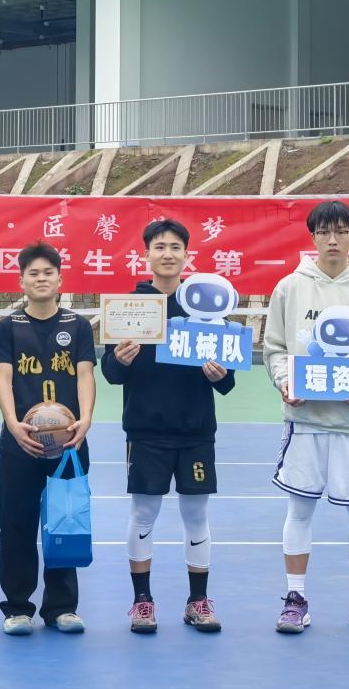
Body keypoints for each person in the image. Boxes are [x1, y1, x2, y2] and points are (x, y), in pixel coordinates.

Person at [262, 200, 349, 636]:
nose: (333, 240)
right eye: (324, 232)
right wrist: (286, 381)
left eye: (341, 231)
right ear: (313, 236)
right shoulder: (290, 287)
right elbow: (276, 348)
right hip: (305, 420)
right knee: (300, 509)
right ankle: (295, 598)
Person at [102, 218, 234, 635]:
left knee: (196, 514)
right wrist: (118, 360)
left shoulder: (206, 306)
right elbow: (110, 373)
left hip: (196, 430)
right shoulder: (129, 306)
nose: (168, 254)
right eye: (159, 246)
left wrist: (219, 375)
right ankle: (142, 602)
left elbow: (228, 379)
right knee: (144, 513)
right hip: (146, 431)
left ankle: (198, 601)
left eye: (176, 247)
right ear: (146, 255)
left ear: (186, 255)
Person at [0, 242, 96, 635]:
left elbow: (85, 375)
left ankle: (62, 607)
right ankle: (18, 607)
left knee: (65, 522)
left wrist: (85, 419)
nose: (40, 279)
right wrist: (13, 424)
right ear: (21, 281)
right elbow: (3, 378)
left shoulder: (78, 325)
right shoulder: (8, 327)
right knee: (15, 524)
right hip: (21, 443)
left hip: (68, 443)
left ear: (60, 280)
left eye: (47, 273)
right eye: (33, 273)